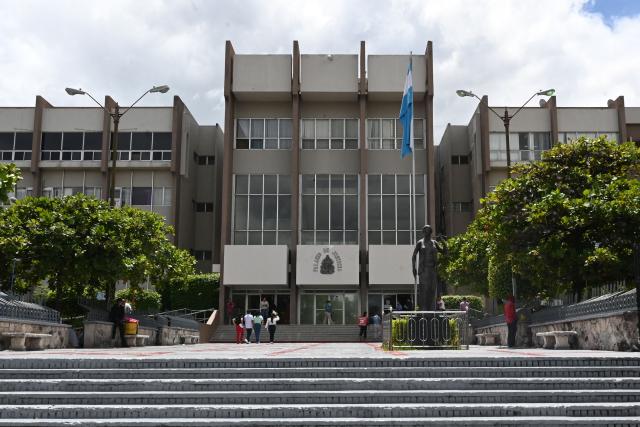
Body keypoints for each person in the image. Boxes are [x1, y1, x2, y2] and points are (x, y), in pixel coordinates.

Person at [412, 225, 446, 311]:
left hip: (433, 269)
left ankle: (432, 310)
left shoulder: (434, 243)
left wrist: (443, 242)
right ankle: (423, 309)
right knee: (424, 289)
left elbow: (444, 252)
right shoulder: (420, 242)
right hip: (423, 270)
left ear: (431, 232)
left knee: (432, 289)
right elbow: (414, 255)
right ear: (423, 232)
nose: (426, 232)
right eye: (425, 230)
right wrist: (414, 268)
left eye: (428, 230)